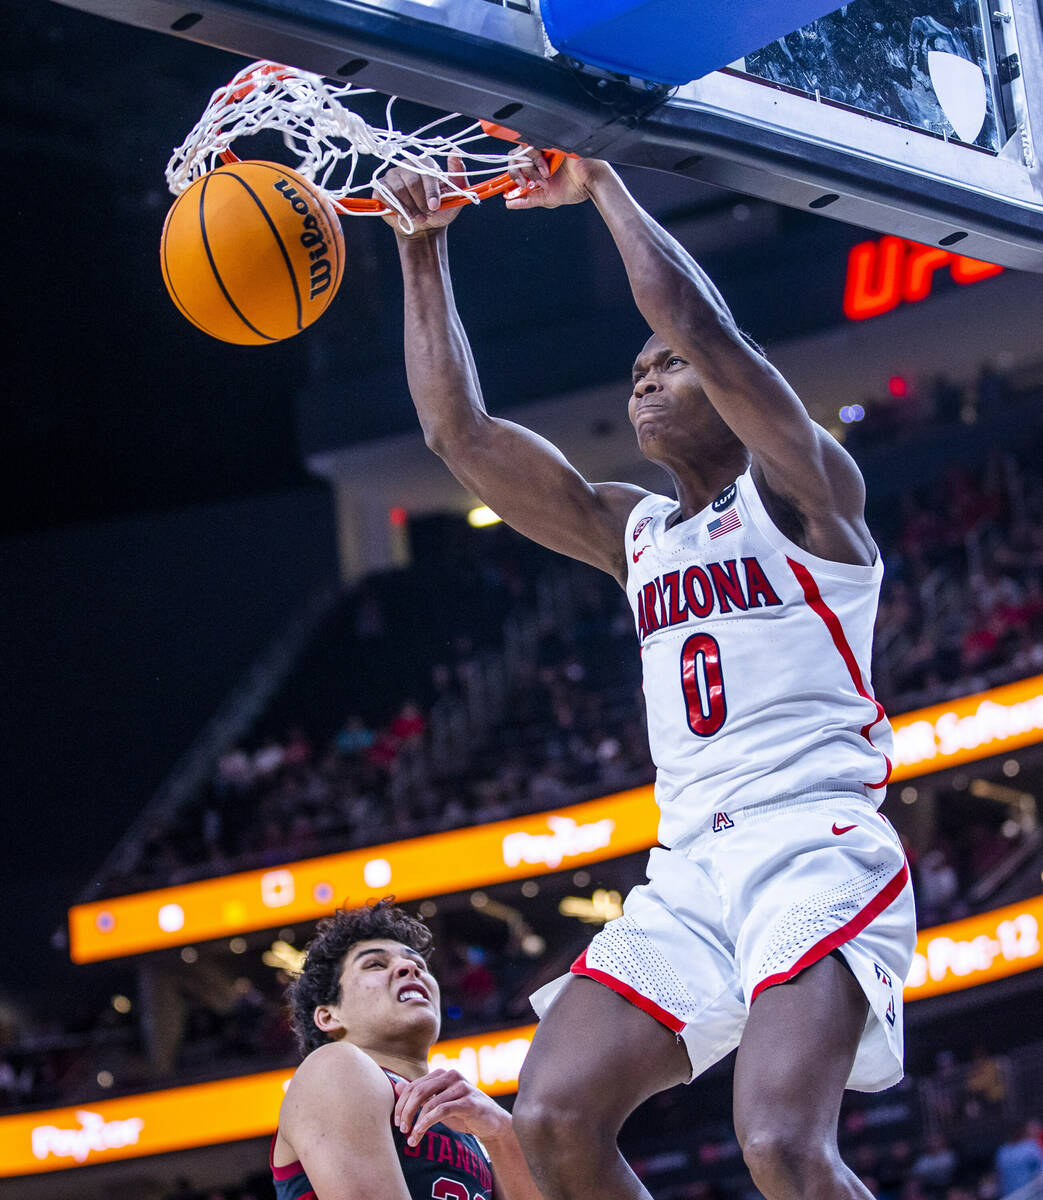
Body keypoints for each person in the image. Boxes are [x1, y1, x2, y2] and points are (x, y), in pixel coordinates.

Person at [378, 151, 917, 1200]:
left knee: (779, 1143)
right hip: (687, 869)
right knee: (550, 1117)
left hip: (812, 844)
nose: (643, 384)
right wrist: (420, 246)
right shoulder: (636, 533)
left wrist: (602, 185)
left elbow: (703, 325)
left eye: (662, 367)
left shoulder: (810, 497)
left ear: (727, 387)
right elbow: (458, 433)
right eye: (633, 376)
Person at [271, 899, 541, 1200]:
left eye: (419, 965)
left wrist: (502, 1131)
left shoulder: (470, 1125)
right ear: (329, 1016)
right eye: (375, 964)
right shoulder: (334, 1065)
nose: (409, 967)